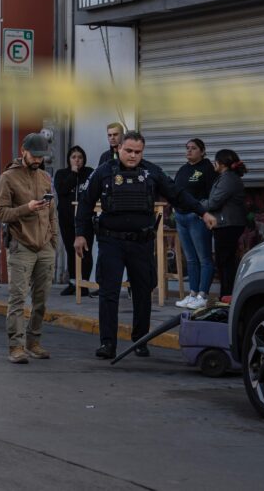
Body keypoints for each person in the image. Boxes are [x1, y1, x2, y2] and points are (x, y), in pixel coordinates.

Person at [75, 131, 217, 360]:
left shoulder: (152, 171)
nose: (132, 156)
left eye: (138, 152)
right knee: (109, 292)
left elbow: (177, 194)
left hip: (141, 242)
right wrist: (80, 235)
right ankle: (107, 343)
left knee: (142, 293)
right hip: (111, 241)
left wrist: (202, 212)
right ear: (119, 148)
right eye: (128, 151)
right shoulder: (103, 172)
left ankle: (140, 341)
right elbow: (85, 203)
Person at [0, 133, 59, 364]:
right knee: (18, 299)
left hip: (45, 246)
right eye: (34, 156)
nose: (38, 160)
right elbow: (0, 213)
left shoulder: (44, 177)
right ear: (23, 151)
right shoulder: (8, 177)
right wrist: (26, 208)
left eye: (42, 157)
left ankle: (34, 342)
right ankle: (16, 346)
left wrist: (54, 240)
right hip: (21, 245)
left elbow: (52, 212)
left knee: (41, 299)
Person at [173, 138, 217, 311]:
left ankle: (203, 295)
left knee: (204, 258)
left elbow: (212, 195)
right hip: (181, 217)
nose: (189, 151)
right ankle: (192, 294)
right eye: (187, 148)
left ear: (202, 151)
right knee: (190, 259)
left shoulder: (207, 169)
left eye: (193, 148)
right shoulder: (183, 169)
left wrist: (202, 212)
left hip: (196, 217)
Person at [202, 149, 248, 302]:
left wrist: (196, 206)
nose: (213, 164)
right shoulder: (226, 177)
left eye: (215, 161)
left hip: (228, 225)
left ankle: (226, 297)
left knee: (225, 262)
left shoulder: (228, 179)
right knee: (224, 261)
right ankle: (226, 296)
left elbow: (215, 201)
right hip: (226, 223)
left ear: (221, 164)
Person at [53, 145, 95, 296]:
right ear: (69, 159)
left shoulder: (90, 173)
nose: (77, 160)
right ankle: (72, 282)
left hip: (85, 219)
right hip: (66, 218)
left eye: (80, 157)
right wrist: (73, 173)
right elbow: (62, 190)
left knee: (85, 250)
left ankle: (83, 283)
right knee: (71, 250)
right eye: (74, 157)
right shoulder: (61, 173)